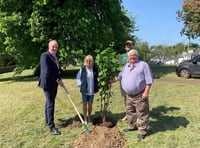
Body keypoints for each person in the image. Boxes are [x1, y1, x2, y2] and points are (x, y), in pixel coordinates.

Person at [111, 49, 153, 141]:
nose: (132, 57)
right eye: (130, 56)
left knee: (142, 113)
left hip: (140, 95)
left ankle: (142, 131)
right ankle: (131, 126)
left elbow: (149, 81)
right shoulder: (126, 66)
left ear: (137, 56)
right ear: (128, 57)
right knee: (130, 112)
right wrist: (112, 81)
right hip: (128, 95)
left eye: (134, 55)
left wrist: (146, 92)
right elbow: (120, 76)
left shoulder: (143, 65)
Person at [38, 40, 65, 135]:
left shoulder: (55, 56)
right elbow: (47, 71)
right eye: (53, 46)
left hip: (54, 83)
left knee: (49, 102)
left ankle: (47, 120)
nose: (54, 48)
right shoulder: (45, 56)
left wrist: (60, 78)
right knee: (50, 103)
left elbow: (57, 69)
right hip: (47, 83)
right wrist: (57, 80)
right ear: (49, 46)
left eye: (56, 47)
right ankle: (51, 126)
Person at [76, 55, 99, 124]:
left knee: (90, 104)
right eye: (87, 61)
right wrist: (80, 85)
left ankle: (89, 116)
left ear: (92, 61)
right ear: (85, 61)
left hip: (91, 89)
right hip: (84, 89)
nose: (88, 62)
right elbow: (78, 77)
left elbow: (97, 78)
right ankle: (85, 118)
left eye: (90, 61)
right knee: (84, 103)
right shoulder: (82, 69)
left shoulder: (95, 69)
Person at [119, 40, 133, 121]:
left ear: (132, 46)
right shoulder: (122, 56)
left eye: (129, 45)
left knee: (132, 97)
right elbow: (119, 67)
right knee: (125, 97)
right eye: (127, 45)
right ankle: (127, 114)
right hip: (123, 79)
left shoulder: (135, 54)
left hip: (131, 79)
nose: (128, 46)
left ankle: (133, 114)